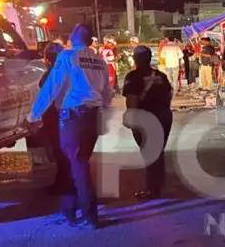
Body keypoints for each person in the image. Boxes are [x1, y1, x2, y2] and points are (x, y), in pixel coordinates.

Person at [28, 23, 113, 230]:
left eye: (72, 32)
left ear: (77, 37)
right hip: (92, 116)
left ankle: (89, 215)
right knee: (76, 163)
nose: (69, 35)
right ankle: (69, 209)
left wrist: (34, 114)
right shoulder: (99, 61)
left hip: (73, 117)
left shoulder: (67, 57)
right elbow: (107, 93)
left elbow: (51, 87)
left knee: (77, 165)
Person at [123, 46, 174, 199]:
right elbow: (169, 95)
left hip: (145, 118)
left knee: (149, 153)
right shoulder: (160, 75)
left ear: (136, 58)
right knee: (158, 152)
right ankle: (157, 187)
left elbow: (131, 99)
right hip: (164, 116)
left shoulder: (132, 77)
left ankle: (153, 189)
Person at [37, 43, 71, 196]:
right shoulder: (69, 71)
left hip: (55, 117)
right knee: (63, 151)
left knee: (60, 150)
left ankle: (65, 184)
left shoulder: (53, 73)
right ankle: (63, 180)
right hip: (67, 116)